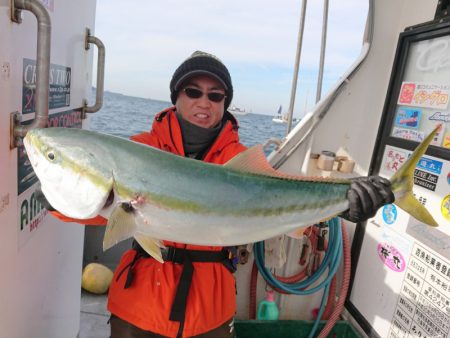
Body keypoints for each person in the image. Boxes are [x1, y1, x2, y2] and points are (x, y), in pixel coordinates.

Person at [39, 51, 394, 338]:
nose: (203, 102)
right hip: (140, 305)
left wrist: (344, 204)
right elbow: (91, 204)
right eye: (192, 91)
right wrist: (53, 199)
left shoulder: (238, 162)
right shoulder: (139, 151)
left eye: (215, 95)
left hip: (208, 311)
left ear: (225, 102)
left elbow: (287, 209)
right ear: (176, 97)